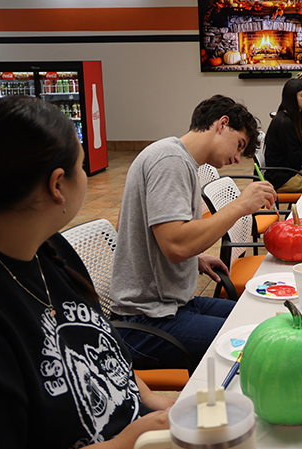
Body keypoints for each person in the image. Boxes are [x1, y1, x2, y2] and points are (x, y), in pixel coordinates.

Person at [0, 96, 173, 448]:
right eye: (82, 166)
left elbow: (99, 345)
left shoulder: (49, 249)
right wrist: (129, 441)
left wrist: (150, 398)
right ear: (57, 185)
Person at [111, 95, 276, 369]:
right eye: (239, 145)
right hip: (146, 321)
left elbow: (138, 230)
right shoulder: (170, 161)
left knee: (261, 318)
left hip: (173, 305)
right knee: (262, 345)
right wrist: (239, 207)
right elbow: (175, 246)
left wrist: (194, 259)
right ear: (222, 124)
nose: (237, 158)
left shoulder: (177, 158)